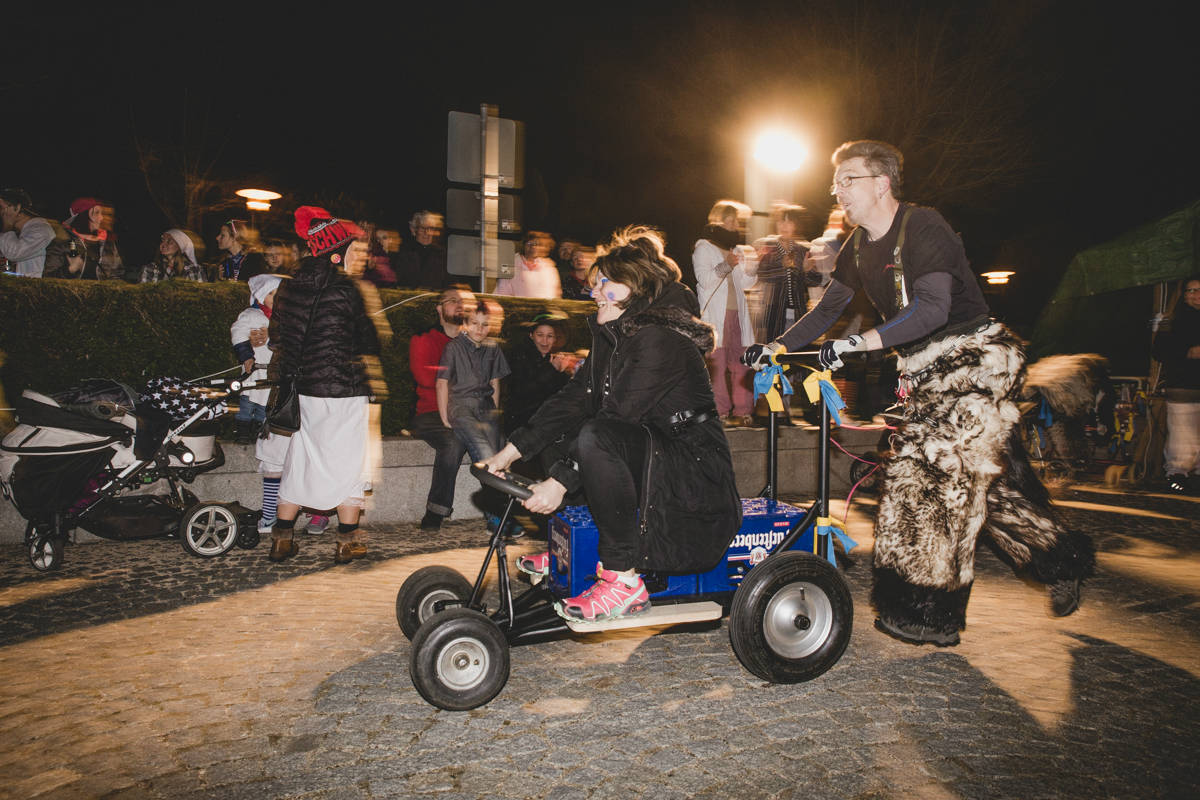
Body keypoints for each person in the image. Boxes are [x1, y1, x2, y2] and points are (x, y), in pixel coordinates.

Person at [744, 139, 1095, 646]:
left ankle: (929, 610)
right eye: (835, 182)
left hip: (975, 362)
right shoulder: (858, 245)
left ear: (881, 183)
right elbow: (827, 312)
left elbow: (932, 309)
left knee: (932, 474)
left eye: (848, 179)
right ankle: (1061, 560)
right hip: (926, 372)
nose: (837, 190)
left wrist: (858, 343)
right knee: (993, 486)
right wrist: (776, 347)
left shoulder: (923, 226)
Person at [482, 226, 741, 622]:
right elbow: (574, 399)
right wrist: (509, 453)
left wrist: (557, 483)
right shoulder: (615, 334)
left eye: (605, 284)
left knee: (598, 436)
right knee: (567, 431)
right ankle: (580, 547)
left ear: (634, 288)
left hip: (691, 465)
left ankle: (621, 580)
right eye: (595, 283)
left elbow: (618, 415)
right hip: (653, 451)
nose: (595, 292)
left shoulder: (661, 338)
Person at [266, 206, 389, 564]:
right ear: (337, 251)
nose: (357, 256)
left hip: (303, 392)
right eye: (352, 248)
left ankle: (282, 538)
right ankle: (346, 541)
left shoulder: (287, 288)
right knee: (351, 465)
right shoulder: (348, 289)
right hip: (344, 392)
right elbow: (369, 343)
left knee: (299, 461)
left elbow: (278, 339)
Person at [230, 274, 292, 537]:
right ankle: (270, 515)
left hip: (286, 394)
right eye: (272, 294)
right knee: (270, 454)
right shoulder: (252, 316)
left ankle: (278, 516)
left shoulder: (288, 319)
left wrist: (274, 335)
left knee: (279, 457)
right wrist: (246, 354)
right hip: (264, 384)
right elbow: (239, 334)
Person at [408, 286, 476, 530]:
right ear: (439, 308)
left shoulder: (474, 340)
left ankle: (499, 513)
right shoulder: (424, 338)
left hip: (467, 412)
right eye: (453, 300)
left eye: (464, 301)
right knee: (453, 442)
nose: (460, 305)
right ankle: (436, 511)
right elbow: (426, 378)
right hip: (430, 413)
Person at [694, 200, 758, 427]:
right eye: (730, 221)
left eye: (736, 221)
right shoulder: (703, 248)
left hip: (738, 316)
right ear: (717, 221)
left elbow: (747, 283)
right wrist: (727, 265)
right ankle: (720, 411)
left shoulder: (736, 249)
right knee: (717, 366)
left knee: (742, 363)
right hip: (715, 317)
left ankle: (743, 411)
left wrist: (752, 266)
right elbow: (705, 280)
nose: (734, 226)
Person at [437, 299, 510, 462]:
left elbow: (495, 382)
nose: (479, 329)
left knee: (498, 453)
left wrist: (493, 412)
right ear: (465, 323)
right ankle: (490, 473)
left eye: (485, 324)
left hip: (486, 407)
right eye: (474, 323)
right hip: (461, 407)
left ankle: (490, 477)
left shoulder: (493, 348)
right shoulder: (453, 347)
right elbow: (441, 383)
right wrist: (444, 418)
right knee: (483, 450)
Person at [1154, 277, 1200, 493]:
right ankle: (1177, 475)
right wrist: (1188, 352)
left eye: (1199, 290)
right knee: (1183, 436)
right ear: (1183, 295)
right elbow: (1159, 352)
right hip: (1183, 386)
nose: (1196, 295)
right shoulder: (1172, 320)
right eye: (1191, 290)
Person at [503, 313, 573, 434]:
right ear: (531, 335)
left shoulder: (551, 359)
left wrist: (564, 373)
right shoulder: (519, 357)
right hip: (521, 424)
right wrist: (552, 369)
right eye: (540, 335)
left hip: (544, 423)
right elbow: (524, 392)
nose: (544, 341)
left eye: (550, 336)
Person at [755, 205, 814, 342]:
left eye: (789, 222)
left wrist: (807, 270)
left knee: (795, 349)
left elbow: (815, 281)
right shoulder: (769, 248)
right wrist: (782, 267)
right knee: (774, 348)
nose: (784, 226)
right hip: (774, 312)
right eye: (781, 221)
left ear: (796, 225)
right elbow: (760, 274)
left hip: (797, 311)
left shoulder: (802, 250)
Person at [63, 198, 123, 280]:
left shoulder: (107, 243)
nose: (102, 218)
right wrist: (71, 269)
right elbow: (50, 277)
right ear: (83, 216)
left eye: (101, 213)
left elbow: (117, 273)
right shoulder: (65, 242)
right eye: (96, 213)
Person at [0, 188, 55, 278]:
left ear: (17, 208)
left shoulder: (41, 229)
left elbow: (14, 253)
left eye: (1, 207)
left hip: (37, 286)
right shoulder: (18, 232)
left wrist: (8, 225)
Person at [496, 230, 561, 298]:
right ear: (524, 245)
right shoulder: (509, 264)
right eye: (530, 243)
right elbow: (501, 291)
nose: (533, 247)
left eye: (538, 244)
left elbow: (555, 295)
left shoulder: (549, 268)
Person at [393, 210, 448, 289]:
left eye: (431, 228)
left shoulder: (442, 254)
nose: (427, 232)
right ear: (414, 230)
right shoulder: (403, 253)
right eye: (422, 228)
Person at [139, 229, 206, 282]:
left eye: (169, 242)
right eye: (162, 240)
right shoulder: (150, 269)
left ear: (180, 246)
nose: (163, 245)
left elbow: (201, 293)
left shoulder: (194, 270)